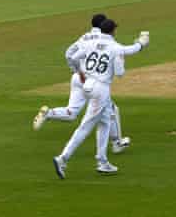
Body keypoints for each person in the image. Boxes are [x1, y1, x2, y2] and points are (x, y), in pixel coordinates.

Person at [52, 20, 149, 179]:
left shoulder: (91, 42)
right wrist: (141, 43)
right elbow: (128, 54)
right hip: (101, 89)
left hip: (88, 85)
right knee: (85, 127)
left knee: (105, 122)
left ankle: (102, 162)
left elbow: (74, 57)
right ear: (112, 31)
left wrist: (80, 72)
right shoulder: (114, 47)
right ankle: (62, 158)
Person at [33, 14, 132, 155]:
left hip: (78, 78)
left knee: (71, 113)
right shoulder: (104, 39)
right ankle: (116, 143)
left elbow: (69, 54)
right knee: (111, 109)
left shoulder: (85, 37)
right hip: (94, 81)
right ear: (104, 25)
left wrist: (77, 71)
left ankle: (49, 113)